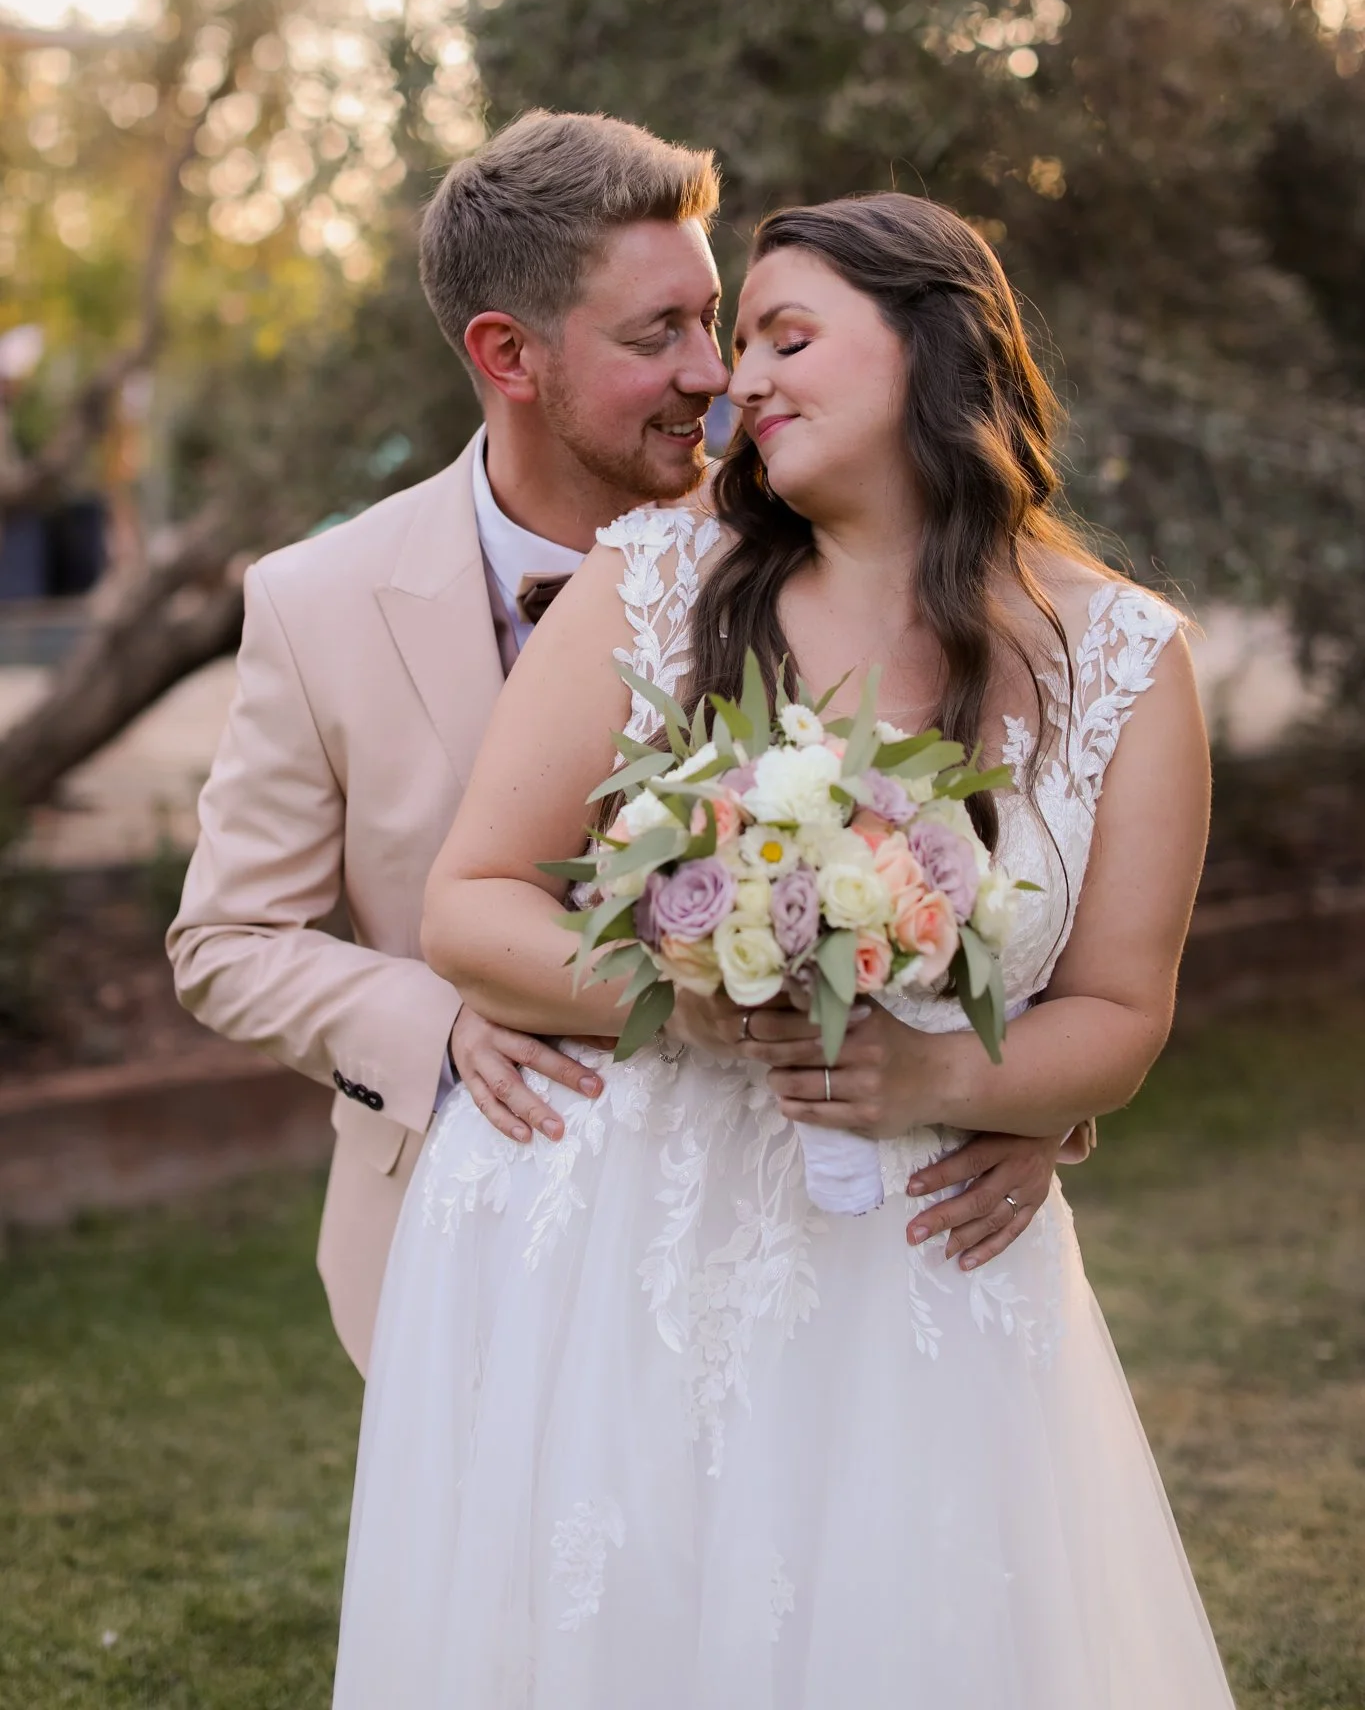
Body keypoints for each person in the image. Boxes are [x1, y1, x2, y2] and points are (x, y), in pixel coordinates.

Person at [332, 192, 1233, 1707]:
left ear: (936, 347)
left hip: (918, 1259)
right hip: (618, 1256)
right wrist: (681, 1003)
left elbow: (1124, 1015)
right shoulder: (657, 584)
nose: (739, 380)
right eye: (734, 345)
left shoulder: (1129, 659)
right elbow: (472, 903)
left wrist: (940, 1078)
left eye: (784, 337)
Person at [167, 114, 1070, 1374]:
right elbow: (225, 939)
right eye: (663, 334)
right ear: (508, 353)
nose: (719, 373)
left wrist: (1022, 1098)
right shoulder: (315, 600)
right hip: (458, 1223)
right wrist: (441, 1024)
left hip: (789, 1248)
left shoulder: (832, 544)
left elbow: (1017, 839)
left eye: (719, 319)